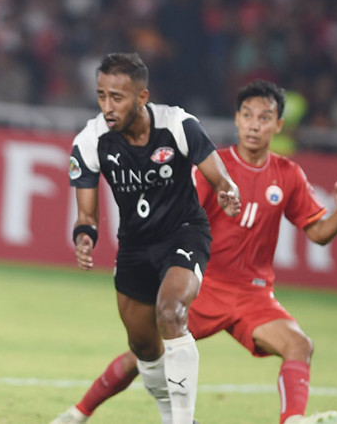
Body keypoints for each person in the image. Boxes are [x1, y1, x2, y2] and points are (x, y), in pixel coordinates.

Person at [52, 79, 337, 424]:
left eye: (264, 117)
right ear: (238, 119)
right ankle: (78, 413)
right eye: (247, 115)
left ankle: (292, 420)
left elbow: (317, 233)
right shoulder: (214, 167)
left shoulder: (288, 175)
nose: (254, 124)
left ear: (278, 125)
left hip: (253, 295)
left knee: (299, 345)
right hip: (205, 286)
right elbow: (181, 221)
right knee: (144, 355)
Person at [66, 52, 241, 424]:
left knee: (171, 312)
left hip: (183, 233)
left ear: (142, 97)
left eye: (117, 97)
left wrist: (226, 189)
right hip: (134, 245)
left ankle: (181, 421)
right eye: (101, 96)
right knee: (143, 346)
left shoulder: (178, 124)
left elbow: (217, 173)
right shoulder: (90, 140)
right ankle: (171, 416)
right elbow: (86, 214)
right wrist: (84, 237)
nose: (107, 107)